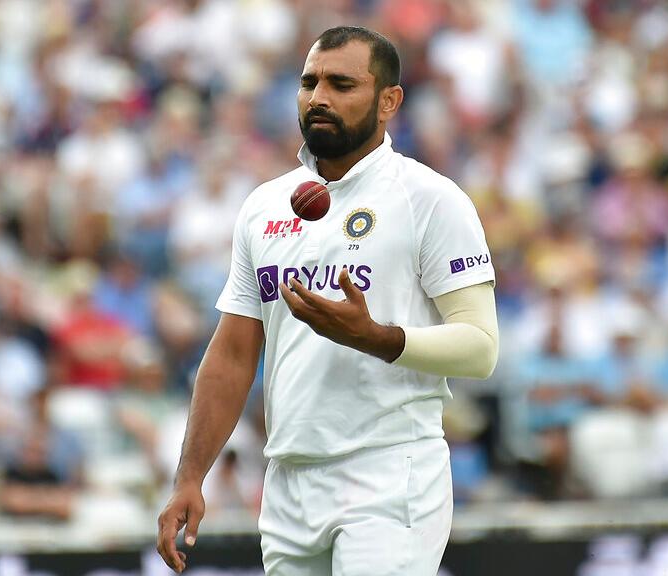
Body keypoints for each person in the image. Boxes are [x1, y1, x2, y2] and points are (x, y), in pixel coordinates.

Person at [157, 26, 499, 575]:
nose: (319, 97)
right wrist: (191, 475)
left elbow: (481, 348)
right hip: (288, 479)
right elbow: (233, 355)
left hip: (390, 468)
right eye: (309, 82)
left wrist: (376, 337)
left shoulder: (431, 199)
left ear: (389, 101)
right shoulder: (264, 206)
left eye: (342, 84)